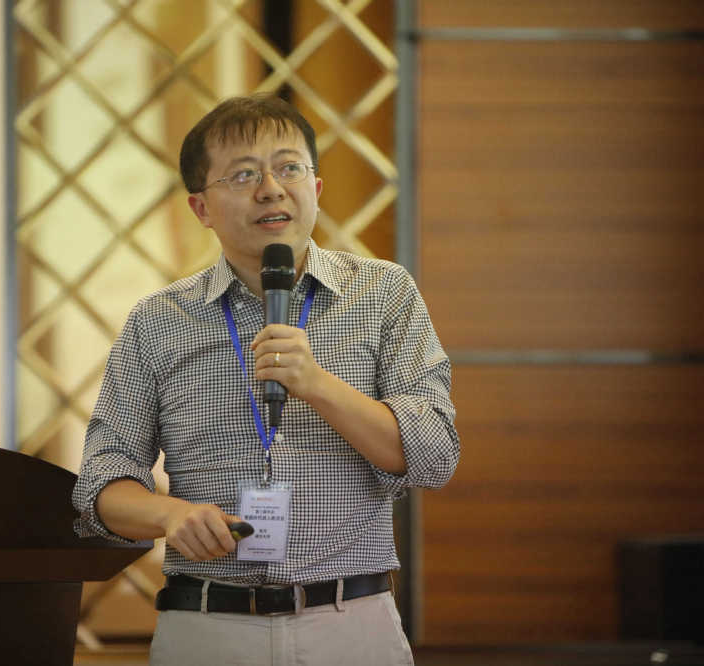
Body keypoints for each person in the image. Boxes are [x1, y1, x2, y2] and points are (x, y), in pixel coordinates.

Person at [72, 93, 459, 665]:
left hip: (350, 624)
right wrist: (170, 515)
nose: (271, 189)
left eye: (289, 168)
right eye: (243, 175)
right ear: (201, 207)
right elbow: (100, 485)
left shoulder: (384, 294)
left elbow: (434, 455)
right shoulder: (158, 320)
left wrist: (317, 384)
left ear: (316, 188)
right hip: (206, 626)